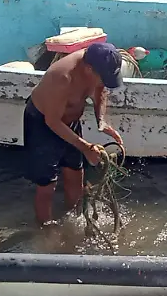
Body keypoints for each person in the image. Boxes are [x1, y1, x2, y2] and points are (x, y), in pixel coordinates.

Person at [23, 42, 126, 227]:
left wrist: (101, 121)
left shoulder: (95, 67)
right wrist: (86, 147)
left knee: (76, 173)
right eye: (102, 78)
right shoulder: (62, 78)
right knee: (47, 185)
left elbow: (100, 91)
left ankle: (75, 217)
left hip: (70, 123)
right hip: (43, 124)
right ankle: (45, 227)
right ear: (88, 69)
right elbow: (52, 121)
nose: (103, 83)